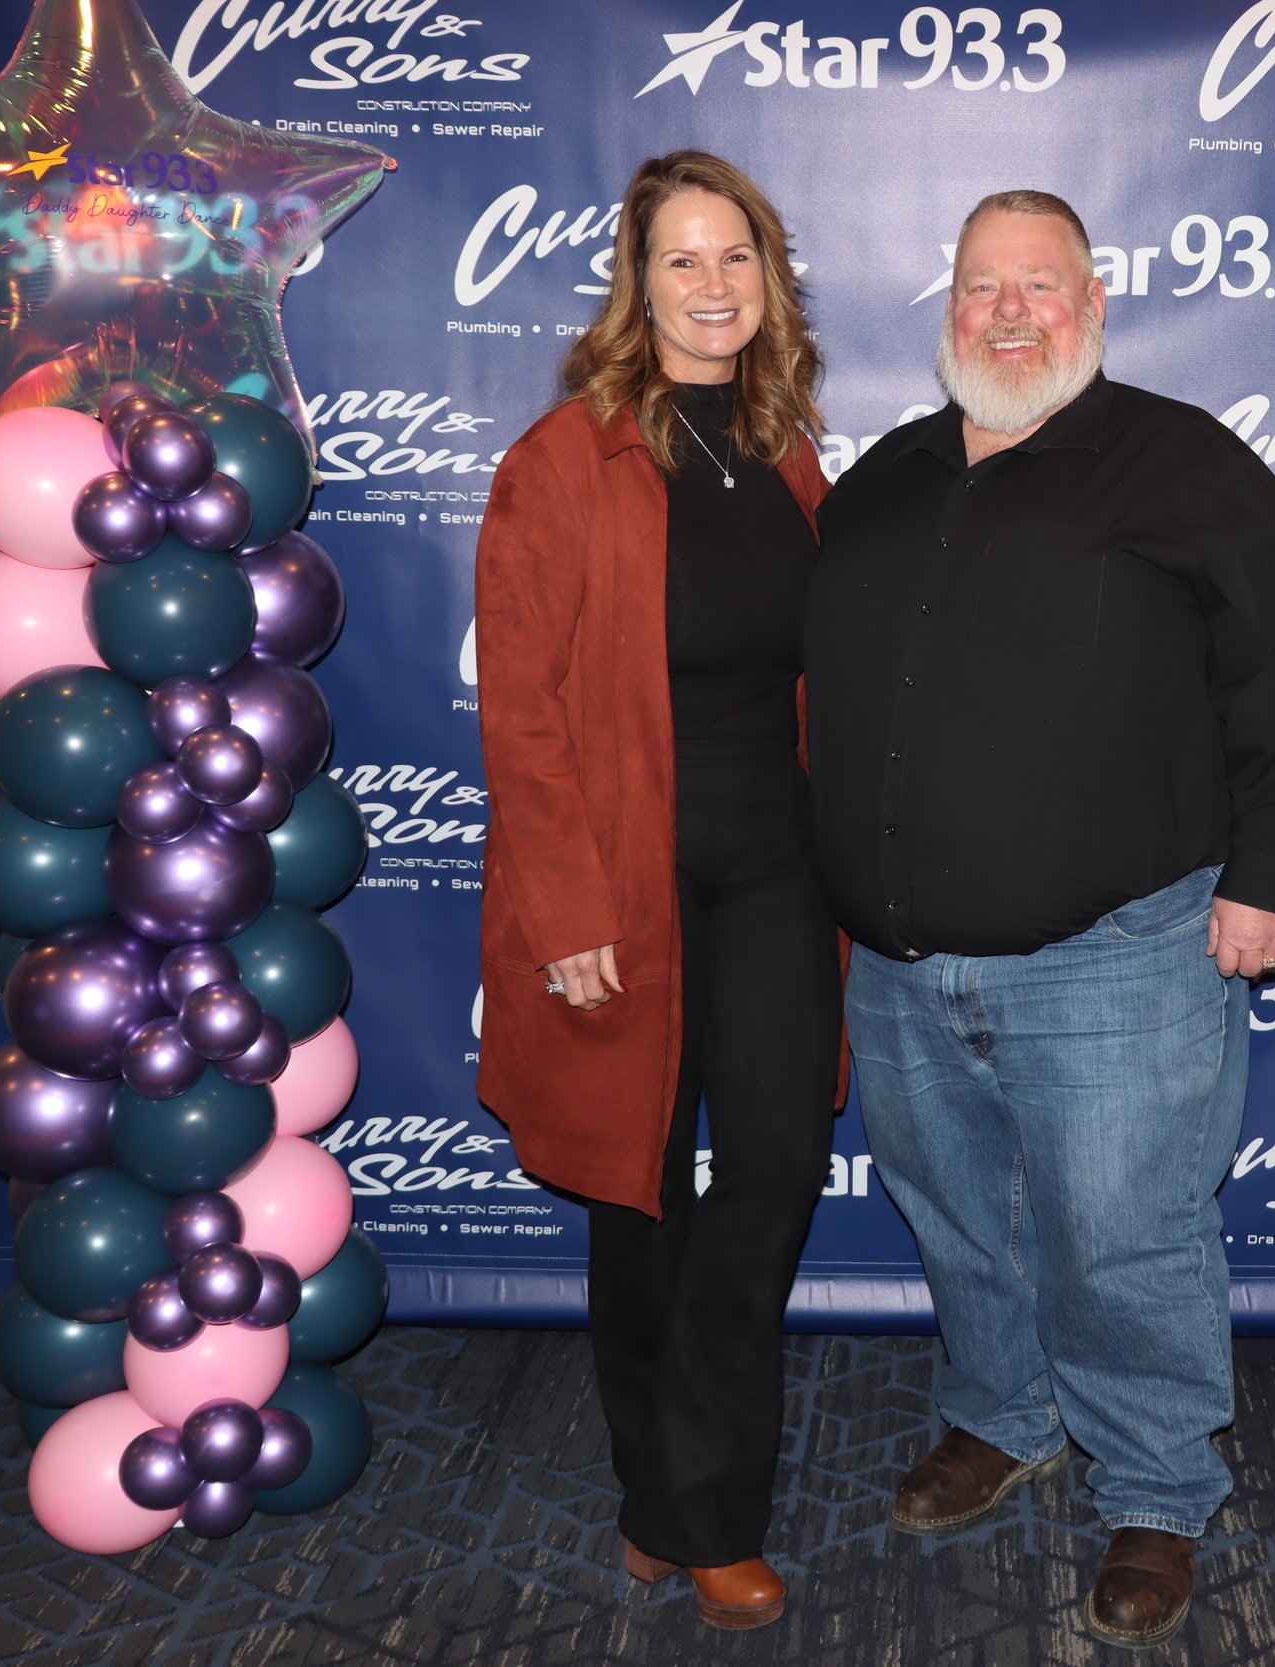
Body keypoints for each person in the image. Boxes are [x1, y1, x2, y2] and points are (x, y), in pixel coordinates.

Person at [804, 189, 1275, 1648]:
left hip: (1120, 952)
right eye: (983, 286)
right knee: (960, 1217)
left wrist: (1268, 877)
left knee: (1122, 1236)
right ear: (947, 309)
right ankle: (1004, 1413)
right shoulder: (889, 478)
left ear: (1094, 307)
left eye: (1041, 285)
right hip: (902, 964)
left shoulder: (1183, 464)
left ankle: (1157, 1490)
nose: (1010, 310)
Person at [473, 149, 842, 1632]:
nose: (712, 288)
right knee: (638, 1195)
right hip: (619, 882)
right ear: (638, 284)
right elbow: (525, 715)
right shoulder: (562, 461)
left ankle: (695, 1501)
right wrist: (565, 913)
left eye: (735, 258)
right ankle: (673, 1502)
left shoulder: (789, 453)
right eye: (682, 261)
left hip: (774, 872)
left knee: (769, 1172)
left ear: (770, 280)